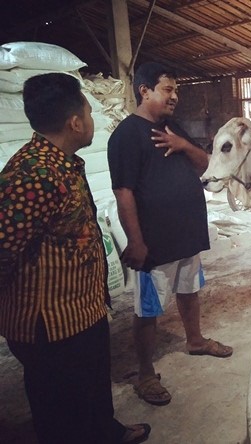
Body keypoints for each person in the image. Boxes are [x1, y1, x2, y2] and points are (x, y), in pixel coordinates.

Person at [0, 73, 150, 444]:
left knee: (92, 388)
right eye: (88, 110)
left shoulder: (62, 162)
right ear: (75, 122)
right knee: (60, 410)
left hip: (80, 313)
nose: (91, 120)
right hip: (48, 324)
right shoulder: (32, 173)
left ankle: (106, 432)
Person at [107, 62, 232, 407]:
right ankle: (146, 374)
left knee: (190, 290)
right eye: (167, 89)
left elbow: (205, 163)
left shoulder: (171, 127)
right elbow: (124, 193)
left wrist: (181, 144)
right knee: (149, 308)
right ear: (144, 91)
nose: (174, 96)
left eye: (176, 90)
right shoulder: (126, 136)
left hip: (187, 234)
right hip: (155, 242)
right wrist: (135, 241)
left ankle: (195, 340)